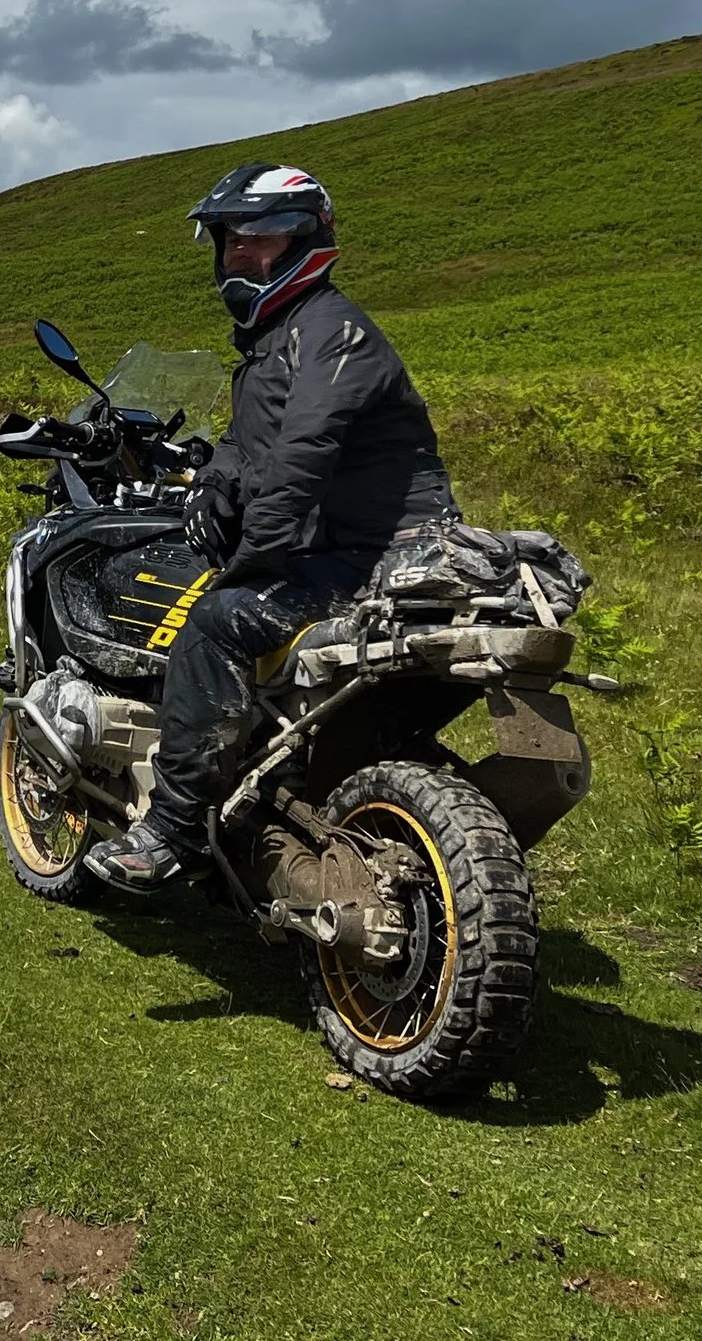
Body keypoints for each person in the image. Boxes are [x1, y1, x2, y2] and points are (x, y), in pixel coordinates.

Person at [84, 164, 461, 892]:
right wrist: (211, 493)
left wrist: (251, 566)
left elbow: (300, 458)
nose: (237, 255)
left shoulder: (332, 330)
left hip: (380, 558)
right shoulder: (282, 341)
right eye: (230, 240)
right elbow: (249, 446)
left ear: (307, 240)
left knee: (216, 621)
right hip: (350, 552)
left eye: (258, 239)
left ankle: (173, 831)